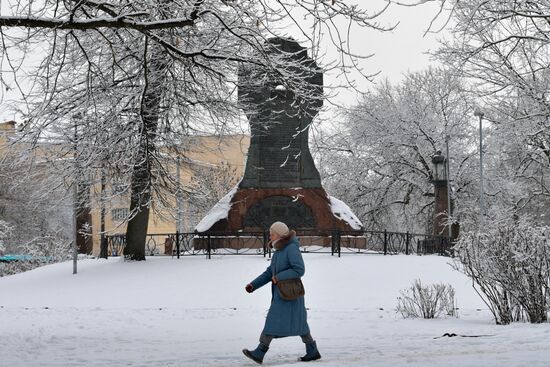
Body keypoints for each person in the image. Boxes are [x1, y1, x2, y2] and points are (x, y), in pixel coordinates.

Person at [243, 221, 321, 364]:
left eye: (271, 234)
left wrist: (279, 277)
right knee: (300, 324)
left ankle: (260, 352)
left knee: (274, 321)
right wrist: (253, 285)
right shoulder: (279, 251)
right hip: (283, 294)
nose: (270, 236)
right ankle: (312, 350)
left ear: (278, 234)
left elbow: (299, 270)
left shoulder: (291, 249)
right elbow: (269, 273)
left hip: (290, 294)